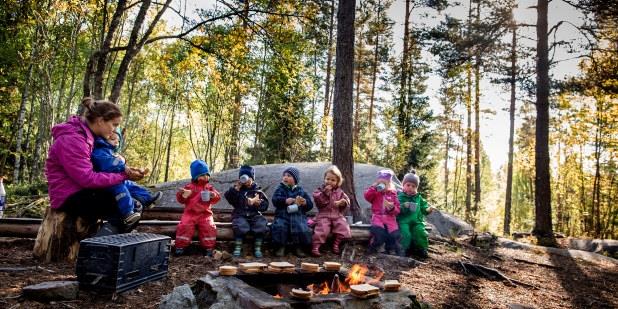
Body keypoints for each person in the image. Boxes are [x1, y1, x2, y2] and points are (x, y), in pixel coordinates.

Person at [45, 97, 145, 235]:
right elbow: (87, 178)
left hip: (82, 190)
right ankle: (95, 250)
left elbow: (102, 164)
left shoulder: (89, 135)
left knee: (134, 202)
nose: (115, 130)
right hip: (68, 196)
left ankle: (100, 244)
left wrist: (125, 169)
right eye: (114, 124)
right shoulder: (74, 139)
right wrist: (122, 176)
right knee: (128, 207)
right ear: (100, 121)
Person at [91, 130, 162, 227]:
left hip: (116, 178)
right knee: (121, 190)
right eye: (113, 139)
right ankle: (128, 212)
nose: (116, 142)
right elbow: (108, 164)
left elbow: (117, 163)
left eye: (118, 140)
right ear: (104, 138)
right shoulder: (99, 151)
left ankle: (148, 198)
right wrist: (122, 164)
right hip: (107, 181)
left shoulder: (111, 152)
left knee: (132, 185)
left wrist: (128, 167)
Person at [174, 160, 221, 256]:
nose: (206, 177)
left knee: (209, 227)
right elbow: (180, 199)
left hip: (205, 213)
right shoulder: (189, 187)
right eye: (203, 175)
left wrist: (213, 195)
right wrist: (183, 195)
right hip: (190, 213)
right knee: (184, 226)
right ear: (196, 176)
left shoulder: (209, 187)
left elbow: (217, 197)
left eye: (207, 174)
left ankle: (208, 248)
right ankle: (180, 247)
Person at [224, 165, 269, 258]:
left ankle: (257, 247)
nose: (246, 181)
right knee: (239, 224)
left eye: (248, 178)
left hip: (254, 215)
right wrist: (235, 189)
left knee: (261, 223)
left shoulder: (257, 191)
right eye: (243, 178)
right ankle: (238, 247)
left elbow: (265, 206)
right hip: (240, 214)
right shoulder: (237, 190)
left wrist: (258, 204)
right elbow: (229, 198)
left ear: (252, 178)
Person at [271, 167, 314, 257]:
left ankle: (299, 247)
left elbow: (310, 205)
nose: (285, 177)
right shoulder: (280, 189)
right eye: (284, 175)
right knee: (280, 226)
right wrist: (285, 201)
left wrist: (304, 202)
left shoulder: (301, 191)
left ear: (295, 179)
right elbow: (275, 200)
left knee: (301, 227)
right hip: (282, 215)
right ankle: (281, 247)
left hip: (297, 215)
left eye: (289, 176)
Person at [311, 165, 351, 257]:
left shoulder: (340, 192)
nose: (329, 181)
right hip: (324, 215)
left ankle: (336, 244)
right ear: (324, 179)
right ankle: (315, 247)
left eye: (333, 180)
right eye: (328, 179)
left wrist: (343, 202)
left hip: (337, 215)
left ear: (337, 182)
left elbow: (347, 201)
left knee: (343, 226)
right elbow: (318, 200)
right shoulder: (320, 190)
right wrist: (325, 193)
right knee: (322, 229)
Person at [364, 169, 401, 255]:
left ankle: (390, 249)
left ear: (389, 184)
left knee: (394, 235)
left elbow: (397, 210)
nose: (383, 185)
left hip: (390, 219)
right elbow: (367, 196)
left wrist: (392, 208)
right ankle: (373, 247)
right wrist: (374, 188)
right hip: (378, 217)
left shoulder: (393, 194)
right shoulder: (375, 192)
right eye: (381, 183)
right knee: (379, 234)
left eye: (385, 183)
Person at [397, 170, 433, 258]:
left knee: (420, 231)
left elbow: (424, 208)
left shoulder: (418, 197)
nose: (410, 188)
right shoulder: (400, 196)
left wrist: (429, 209)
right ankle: (404, 249)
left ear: (416, 188)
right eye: (408, 185)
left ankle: (422, 249)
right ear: (403, 185)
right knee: (405, 233)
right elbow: (397, 209)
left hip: (417, 221)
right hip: (403, 220)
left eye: (413, 186)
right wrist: (404, 206)